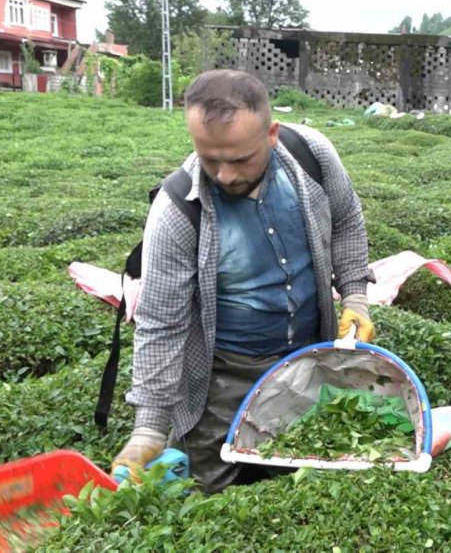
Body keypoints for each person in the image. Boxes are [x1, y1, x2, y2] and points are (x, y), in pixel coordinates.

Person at [111, 70, 376, 492]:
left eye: (239, 159)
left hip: (309, 359)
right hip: (224, 375)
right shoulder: (177, 209)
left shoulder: (312, 156)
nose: (225, 175)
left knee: (305, 482)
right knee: (212, 497)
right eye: (209, 158)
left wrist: (356, 298)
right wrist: (149, 429)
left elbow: (346, 221)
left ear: (271, 134)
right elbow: (162, 325)